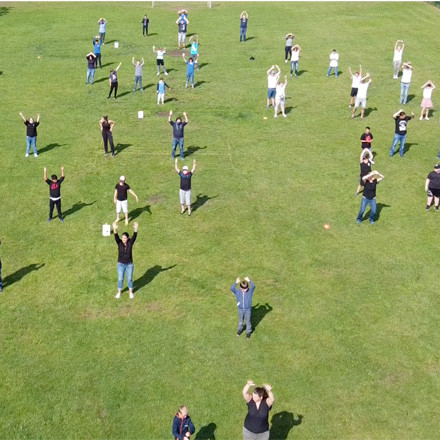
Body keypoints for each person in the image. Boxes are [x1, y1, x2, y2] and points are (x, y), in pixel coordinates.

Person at [112, 221, 138, 299]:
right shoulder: (119, 243)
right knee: (120, 279)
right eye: (123, 238)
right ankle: (119, 292)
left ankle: (131, 292)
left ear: (127, 238)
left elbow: (135, 236)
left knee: (129, 279)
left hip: (129, 264)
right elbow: (116, 236)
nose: (123, 239)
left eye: (125, 238)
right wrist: (114, 229)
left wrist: (136, 228)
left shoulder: (130, 243)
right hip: (120, 264)